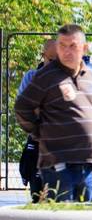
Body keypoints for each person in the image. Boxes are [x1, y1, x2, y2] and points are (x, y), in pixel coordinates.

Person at [14, 24, 92, 202]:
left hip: (86, 162)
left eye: (72, 46)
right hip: (58, 162)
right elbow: (22, 107)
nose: (66, 51)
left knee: (86, 214)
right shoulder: (45, 76)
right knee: (63, 214)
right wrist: (39, 133)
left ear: (84, 48)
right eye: (62, 46)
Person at [17, 39, 57, 201]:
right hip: (38, 142)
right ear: (43, 56)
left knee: (58, 195)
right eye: (51, 60)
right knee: (37, 194)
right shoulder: (31, 76)